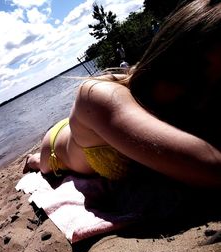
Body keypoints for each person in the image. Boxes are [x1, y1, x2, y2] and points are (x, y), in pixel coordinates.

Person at [24, 0, 221, 188]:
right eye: (193, 77)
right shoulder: (98, 95)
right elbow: (210, 168)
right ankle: (31, 159)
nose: (202, 100)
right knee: (41, 165)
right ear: (165, 58)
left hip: (93, 122)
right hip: (55, 148)